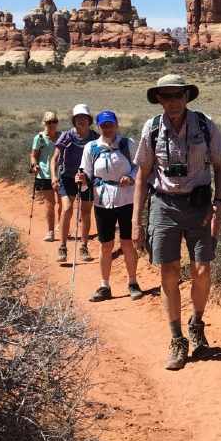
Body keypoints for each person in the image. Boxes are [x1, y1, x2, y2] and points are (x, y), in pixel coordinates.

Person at [132, 74, 221, 371]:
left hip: (199, 205)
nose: (173, 102)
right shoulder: (152, 128)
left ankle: (196, 323)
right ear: (159, 99)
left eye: (178, 95)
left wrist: (219, 205)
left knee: (202, 269)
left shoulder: (204, 125)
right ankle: (176, 339)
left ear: (187, 97)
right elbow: (142, 175)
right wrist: (136, 221)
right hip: (164, 205)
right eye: (167, 96)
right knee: (169, 272)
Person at [78, 110, 144, 302]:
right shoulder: (91, 147)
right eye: (103, 125)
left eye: (110, 124)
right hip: (102, 200)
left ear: (116, 124)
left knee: (126, 243)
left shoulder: (127, 144)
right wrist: (81, 179)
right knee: (106, 244)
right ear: (98, 127)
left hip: (127, 199)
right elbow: (87, 172)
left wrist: (130, 178)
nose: (107, 128)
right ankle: (104, 285)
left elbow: (140, 166)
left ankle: (133, 282)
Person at [51, 104, 96, 264]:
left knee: (85, 212)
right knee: (67, 208)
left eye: (84, 118)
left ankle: (83, 246)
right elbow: (55, 158)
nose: (81, 121)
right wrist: (53, 177)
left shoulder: (95, 137)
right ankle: (62, 247)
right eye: (78, 118)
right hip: (67, 177)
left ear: (89, 120)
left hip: (87, 178)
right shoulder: (67, 136)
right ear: (74, 120)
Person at [29, 111, 60, 242]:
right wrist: (34, 165)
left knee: (63, 203)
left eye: (54, 121)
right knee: (50, 203)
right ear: (44, 123)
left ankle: (62, 225)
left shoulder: (62, 137)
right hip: (44, 174)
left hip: (61, 174)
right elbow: (33, 155)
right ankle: (50, 232)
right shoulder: (39, 138)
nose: (51, 124)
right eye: (48, 122)